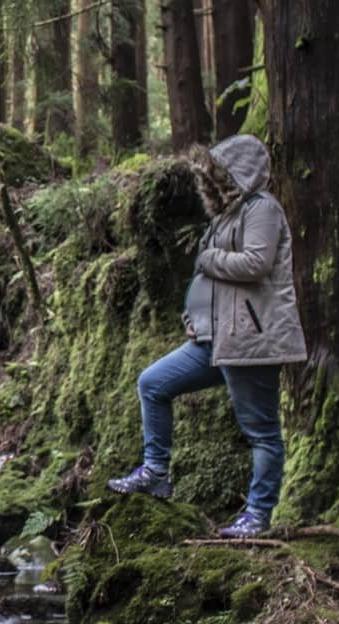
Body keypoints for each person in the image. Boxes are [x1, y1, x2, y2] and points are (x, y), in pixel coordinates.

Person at [106, 134, 307, 538]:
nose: (212, 184)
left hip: (252, 341)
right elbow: (211, 283)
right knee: (153, 383)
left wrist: (210, 258)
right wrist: (196, 315)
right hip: (212, 339)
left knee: (261, 431)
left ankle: (257, 516)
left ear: (239, 175)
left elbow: (256, 263)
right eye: (209, 178)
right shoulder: (224, 217)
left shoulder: (262, 209)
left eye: (219, 176)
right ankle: (156, 471)